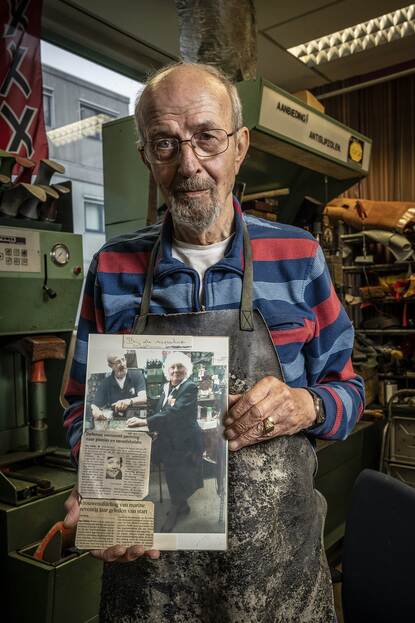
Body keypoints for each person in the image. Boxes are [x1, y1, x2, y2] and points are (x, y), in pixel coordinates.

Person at [63, 61, 364, 622]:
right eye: (166, 143)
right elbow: (81, 404)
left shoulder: (298, 256)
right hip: (149, 577)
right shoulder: (111, 267)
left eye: (206, 137)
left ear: (240, 145)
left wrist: (306, 405)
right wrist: (99, 481)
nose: (189, 164)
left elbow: (349, 390)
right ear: (146, 156)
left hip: (278, 581)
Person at [128, 351, 203, 532]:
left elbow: (174, 413)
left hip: (184, 442)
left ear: (187, 370)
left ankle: (176, 510)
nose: (176, 370)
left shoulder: (190, 388)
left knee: (178, 475)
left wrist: (146, 422)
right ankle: (182, 506)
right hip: (169, 440)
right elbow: (160, 408)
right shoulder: (166, 387)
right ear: (166, 370)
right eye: (172, 367)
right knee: (173, 474)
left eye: (180, 367)